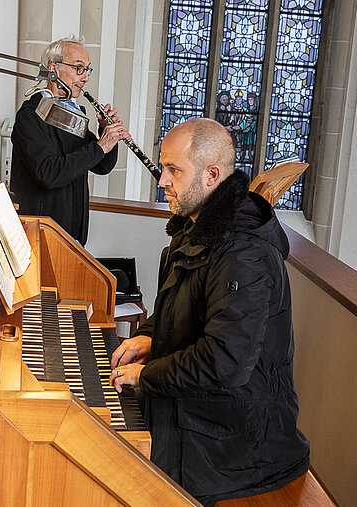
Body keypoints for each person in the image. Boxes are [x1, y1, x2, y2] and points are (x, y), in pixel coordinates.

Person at [109, 118, 310, 504]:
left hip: (235, 444)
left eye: (174, 170)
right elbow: (180, 307)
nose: (163, 180)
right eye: (164, 167)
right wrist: (149, 336)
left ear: (211, 175)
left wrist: (148, 376)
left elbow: (225, 363)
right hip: (205, 413)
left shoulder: (243, 253)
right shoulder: (196, 226)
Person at [10, 36, 130, 246]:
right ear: (53, 69)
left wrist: (105, 133)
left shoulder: (71, 114)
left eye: (87, 70)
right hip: (41, 233)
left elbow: (102, 165)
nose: (85, 78)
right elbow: (49, 174)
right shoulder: (30, 116)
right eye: (78, 68)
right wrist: (101, 145)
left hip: (71, 233)